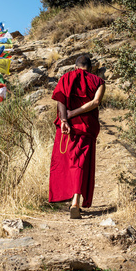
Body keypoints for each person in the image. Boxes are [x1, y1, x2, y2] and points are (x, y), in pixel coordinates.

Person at [49, 55, 105, 219]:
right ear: (91, 68)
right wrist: (74, 113)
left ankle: (69, 198)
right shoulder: (99, 82)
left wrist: (65, 118)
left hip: (67, 127)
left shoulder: (66, 77)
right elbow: (95, 103)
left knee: (69, 162)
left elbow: (60, 99)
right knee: (82, 162)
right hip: (86, 126)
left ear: (75, 67)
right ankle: (75, 201)